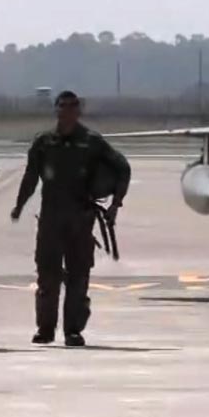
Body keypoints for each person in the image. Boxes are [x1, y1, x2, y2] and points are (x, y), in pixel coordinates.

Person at [12, 90, 130, 347]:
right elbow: (31, 177)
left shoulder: (92, 142)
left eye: (72, 106)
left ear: (78, 111)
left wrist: (115, 205)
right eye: (62, 106)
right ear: (56, 110)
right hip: (51, 220)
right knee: (47, 276)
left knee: (78, 277)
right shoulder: (43, 142)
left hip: (80, 219)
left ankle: (73, 330)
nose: (66, 111)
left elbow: (123, 168)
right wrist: (19, 206)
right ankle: (45, 329)